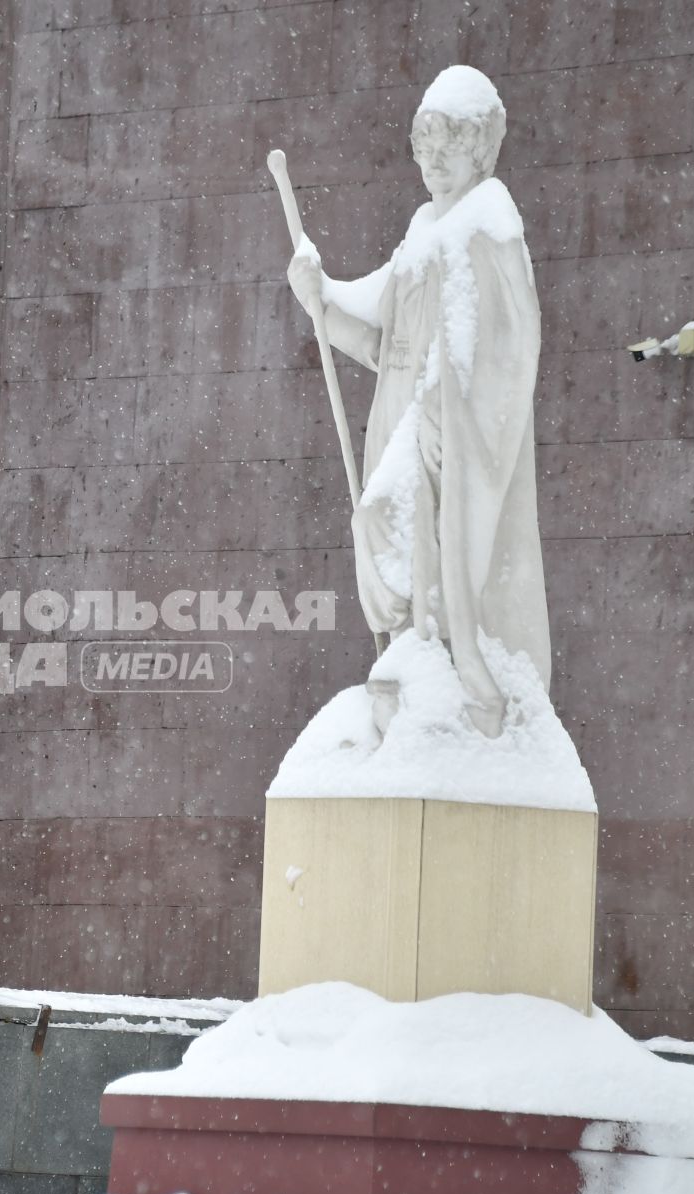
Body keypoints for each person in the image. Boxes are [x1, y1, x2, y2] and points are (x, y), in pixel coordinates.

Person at [285, 65, 548, 738]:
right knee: (383, 533)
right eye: (424, 152)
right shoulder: (423, 231)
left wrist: (446, 410)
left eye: (447, 151)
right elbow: (380, 336)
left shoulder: (489, 229)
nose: (432, 165)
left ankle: (452, 671)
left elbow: (510, 351)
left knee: (394, 526)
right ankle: (416, 656)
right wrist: (318, 297)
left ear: (480, 152)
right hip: (399, 424)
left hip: (444, 435)